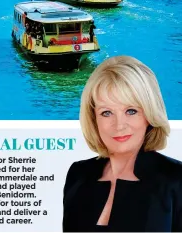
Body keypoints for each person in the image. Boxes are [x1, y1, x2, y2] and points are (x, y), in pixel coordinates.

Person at [62, 56, 182, 232]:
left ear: (149, 115)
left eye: (131, 111)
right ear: (93, 119)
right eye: (106, 113)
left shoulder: (176, 179)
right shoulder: (77, 174)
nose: (119, 125)